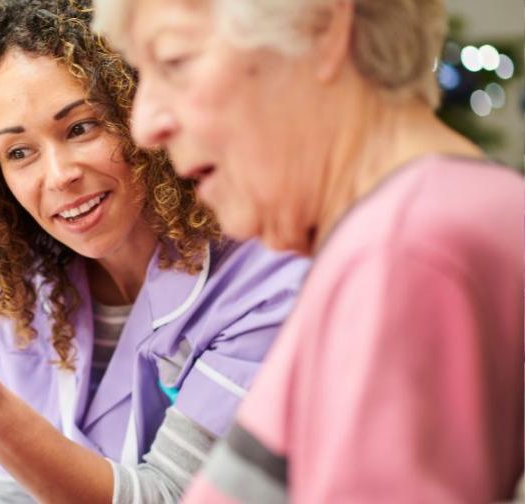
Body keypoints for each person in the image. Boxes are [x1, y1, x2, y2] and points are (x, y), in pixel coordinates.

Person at [0, 0, 309, 502]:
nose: (59, 175)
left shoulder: (264, 277)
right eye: (19, 152)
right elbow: (12, 493)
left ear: (142, 109)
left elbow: (173, 496)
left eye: (81, 127)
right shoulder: (9, 286)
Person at [93, 0, 525, 502]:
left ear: (321, 29)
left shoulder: (404, 251)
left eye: (175, 61)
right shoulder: (425, 222)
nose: (145, 125)